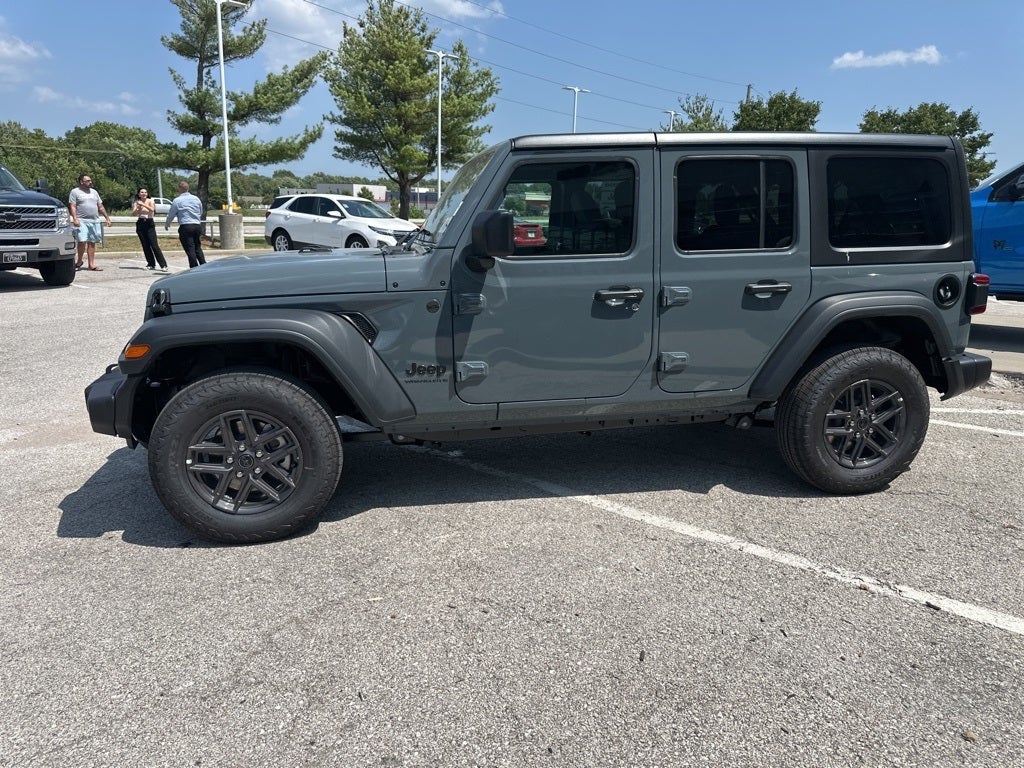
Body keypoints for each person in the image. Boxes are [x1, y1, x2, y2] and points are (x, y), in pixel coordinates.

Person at [69, 174, 113, 271]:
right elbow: (73, 206)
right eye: (88, 181)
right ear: (81, 182)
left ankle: (91, 264)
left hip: (94, 220)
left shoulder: (94, 192)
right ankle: (79, 261)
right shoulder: (75, 192)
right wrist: (75, 218)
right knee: (82, 241)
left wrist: (107, 218)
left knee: (92, 242)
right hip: (82, 220)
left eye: (90, 180)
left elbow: (100, 206)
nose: (90, 182)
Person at [165, 180, 206, 268]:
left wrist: (167, 224)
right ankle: (204, 266)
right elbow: (200, 211)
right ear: (188, 188)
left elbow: (171, 214)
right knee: (197, 248)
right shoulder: (196, 198)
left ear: (180, 189)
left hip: (186, 226)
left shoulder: (177, 200)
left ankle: (194, 268)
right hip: (197, 225)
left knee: (190, 248)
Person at [131, 187, 168, 271]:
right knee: (145, 245)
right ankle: (151, 264)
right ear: (139, 194)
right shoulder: (136, 202)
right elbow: (134, 213)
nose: (144, 194)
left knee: (154, 245)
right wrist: (138, 208)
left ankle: (163, 265)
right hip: (140, 223)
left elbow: (152, 210)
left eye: (145, 192)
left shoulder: (150, 201)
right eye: (142, 192)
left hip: (149, 223)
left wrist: (143, 204)